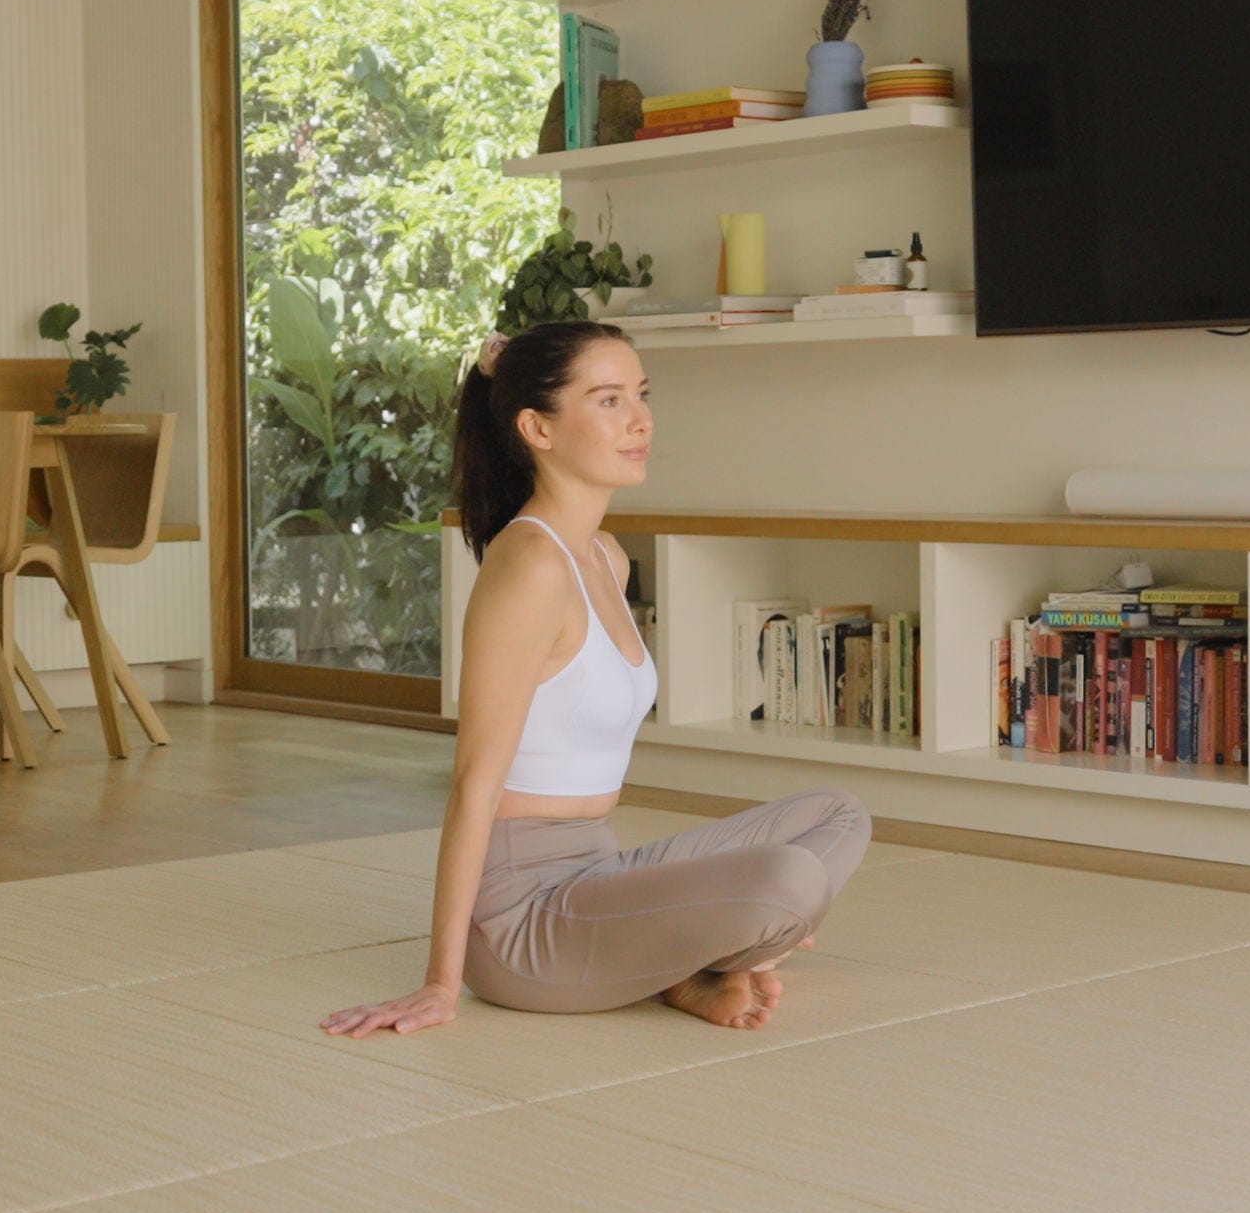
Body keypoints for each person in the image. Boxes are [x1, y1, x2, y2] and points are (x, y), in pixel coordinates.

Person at [321, 320, 870, 1038]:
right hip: (522, 918)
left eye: (640, 394)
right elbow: (473, 785)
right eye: (608, 399)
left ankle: (685, 956)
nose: (640, 419)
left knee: (839, 816)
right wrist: (438, 983)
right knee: (789, 882)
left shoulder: (606, 557)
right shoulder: (528, 566)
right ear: (537, 428)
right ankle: (694, 958)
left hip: (600, 870)